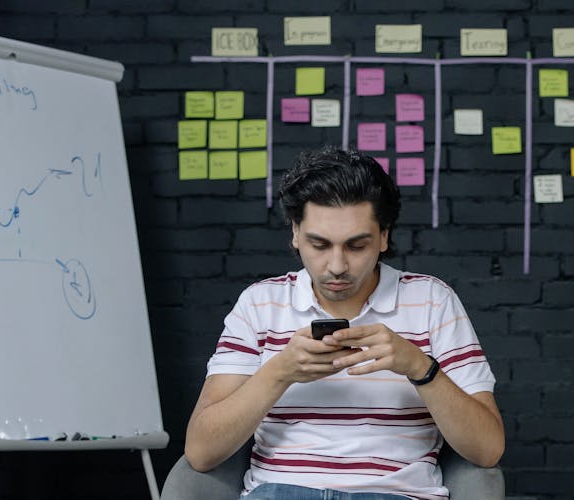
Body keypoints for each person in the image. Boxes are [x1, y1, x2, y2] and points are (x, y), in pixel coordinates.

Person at [184, 146, 504, 500]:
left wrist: (419, 367)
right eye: (319, 244)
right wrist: (280, 372)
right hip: (280, 492)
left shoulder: (432, 301)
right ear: (295, 233)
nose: (336, 266)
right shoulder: (261, 303)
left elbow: (487, 450)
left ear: (383, 236)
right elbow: (201, 452)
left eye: (356, 246)